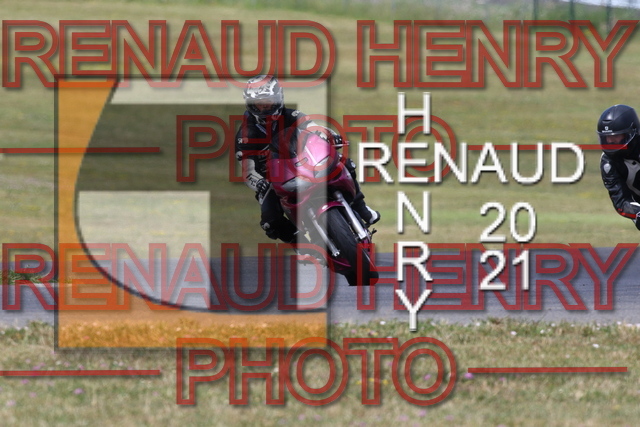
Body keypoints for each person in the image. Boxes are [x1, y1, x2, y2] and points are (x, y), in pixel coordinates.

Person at [235, 74, 380, 243]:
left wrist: (330, 135)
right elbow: (248, 171)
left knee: (343, 162)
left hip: (303, 164)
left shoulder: (291, 115)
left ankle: (362, 209)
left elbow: (313, 128)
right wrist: (259, 182)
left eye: (268, 101)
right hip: (273, 180)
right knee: (270, 222)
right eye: (259, 103)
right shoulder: (245, 134)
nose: (265, 106)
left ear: (279, 98)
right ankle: (301, 245)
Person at [598, 104, 640, 230]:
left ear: (632, 133)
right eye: (607, 137)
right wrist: (638, 213)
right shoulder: (608, 164)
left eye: (616, 136)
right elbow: (621, 202)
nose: (610, 141)